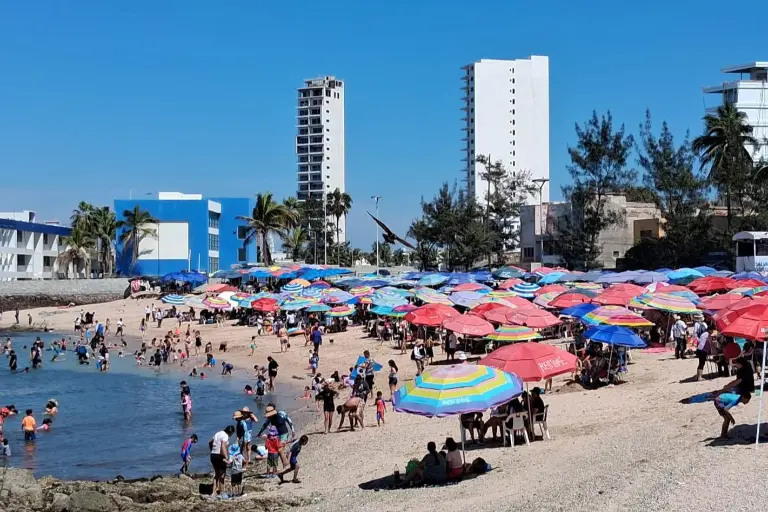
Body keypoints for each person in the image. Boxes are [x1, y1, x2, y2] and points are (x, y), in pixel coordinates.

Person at [713, 356, 755, 438]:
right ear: (744, 398)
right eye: (747, 401)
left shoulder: (745, 370)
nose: (746, 403)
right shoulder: (736, 399)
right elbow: (726, 409)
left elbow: (738, 381)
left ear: (741, 364)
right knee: (727, 419)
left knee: (726, 419)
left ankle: (723, 434)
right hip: (718, 401)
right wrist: (732, 418)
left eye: (737, 364)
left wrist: (726, 387)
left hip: (744, 388)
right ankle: (723, 435)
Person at [209, 425, 235, 496]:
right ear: (231, 432)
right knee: (222, 475)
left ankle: (213, 492)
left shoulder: (218, 433)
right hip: (219, 456)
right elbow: (223, 446)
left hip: (213, 455)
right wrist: (226, 457)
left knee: (216, 474)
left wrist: (212, 450)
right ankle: (222, 493)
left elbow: (210, 442)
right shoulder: (225, 436)